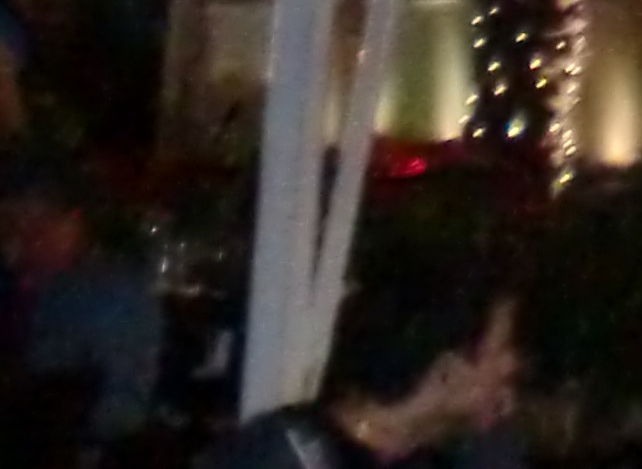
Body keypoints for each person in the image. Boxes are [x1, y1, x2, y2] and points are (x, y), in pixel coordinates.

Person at [196, 247, 519, 468]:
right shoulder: (287, 454)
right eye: (501, 349)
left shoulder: (429, 457)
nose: (511, 366)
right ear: (447, 369)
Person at [0, 153, 164, 455]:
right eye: (11, 228)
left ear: (73, 223)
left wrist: (45, 412)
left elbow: (124, 411)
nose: (19, 243)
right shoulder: (13, 286)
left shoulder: (113, 296)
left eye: (37, 227)